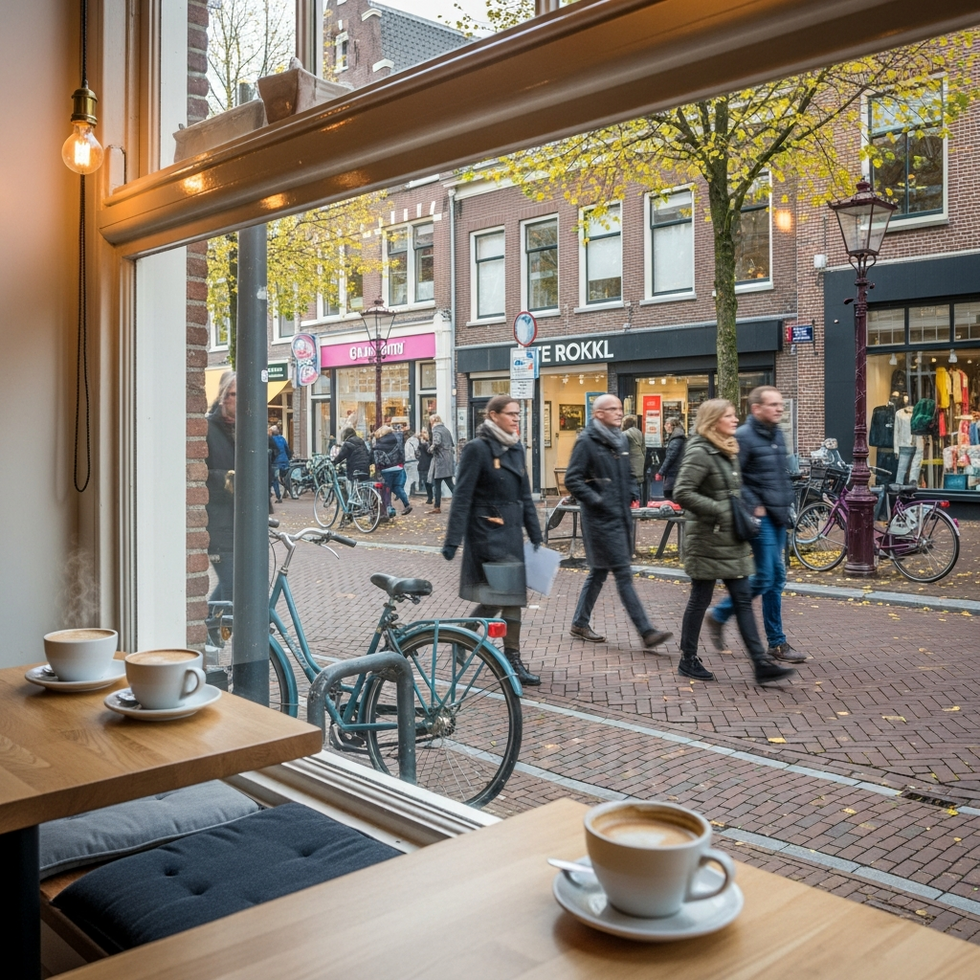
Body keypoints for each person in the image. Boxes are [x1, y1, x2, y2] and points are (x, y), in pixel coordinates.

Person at [672, 398, 796, 684]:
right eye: (728, 416)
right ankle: (687, 659)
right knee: (699, 599)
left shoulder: (727, 448)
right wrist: (722, 509)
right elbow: (682, 492)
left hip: (730, 538)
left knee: (741, 599)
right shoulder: (700, 451)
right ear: (713, 420)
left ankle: (760, 664)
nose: (734, 420)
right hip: (707, 539)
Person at [441, 395, 544, 686]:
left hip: (511, 534)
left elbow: (524, 496)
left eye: (518, 415)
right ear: (494, 415)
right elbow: (462, 496)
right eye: (510, 414)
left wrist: (536, 534)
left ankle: (467, 639)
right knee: (506, 597)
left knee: (505, 599)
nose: (516, 419)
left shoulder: (516, 448)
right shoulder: (478, 449)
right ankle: (510, 660)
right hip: (487, 534)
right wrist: (453, 540)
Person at [705, 386, 805, 664]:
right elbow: (736, 478)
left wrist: (787, 503)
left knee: (777, 580)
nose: (779, 409)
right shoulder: (744, 437)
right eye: (772, 405)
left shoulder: (777, 434)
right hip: (760, 518)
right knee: (766, 576)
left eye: (780, 405)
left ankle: (777, 642)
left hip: (778, 514)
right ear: (756, 408)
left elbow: (780, 474)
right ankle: (719, 614)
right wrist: (753, 505)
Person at [565, 394, 673, 650]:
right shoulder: (586, 442)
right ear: (598, 414)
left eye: (620, 408)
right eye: (611, 409)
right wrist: (598, 500)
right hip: (600, 520)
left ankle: (580, 622)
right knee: (623, 573)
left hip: (620, 516)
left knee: (599, 571)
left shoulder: (621, 440)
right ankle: (646, 631)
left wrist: (630, 495)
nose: (618, 412)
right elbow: (573, 479)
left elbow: (624, 476)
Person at [206, 371, 236, 604]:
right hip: (219, 525)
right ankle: (211, 636)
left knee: (235, 587)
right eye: (235, 394)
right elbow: (196, 477)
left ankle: (209, 632)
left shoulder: (250, 430)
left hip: (245, 527)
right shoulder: (207, 430)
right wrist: (226, 479)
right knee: (233, 588)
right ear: (224, 396)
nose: (240, 400)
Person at [373, 424, 412, 517]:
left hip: (386, 470)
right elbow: (402, 453)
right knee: (398, 487)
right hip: (398, 467)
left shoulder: (378, 444)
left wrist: (379, 468)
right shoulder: (398, 440)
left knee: (387, 489)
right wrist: (402, 463)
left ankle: (390, 509)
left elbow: (377, 459)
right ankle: (407, 504)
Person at [428, 414, 455, 513]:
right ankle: (437, 506)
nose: (430, 423)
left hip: (440, 460)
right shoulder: (446, 430)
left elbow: (437, 442)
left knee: (440, 484)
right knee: (446, 483)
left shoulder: (436, 430)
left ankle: (437, 507)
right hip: (448, 459)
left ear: (434, 421)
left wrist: (430, 449)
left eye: (430, 421)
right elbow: (452, 443)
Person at [657, 417, 687, 501]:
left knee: (669, 494)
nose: (665, 426)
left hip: (673, 473)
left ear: (671, 425)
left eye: (666, 424)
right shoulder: (678, 437)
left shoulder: (676, 439)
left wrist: (661, 472)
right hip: (676, 472)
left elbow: (670, 457)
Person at [622, 414, 645, 503]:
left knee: (631, 488)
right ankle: (637, 503)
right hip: (639, 464)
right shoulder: (639, 433)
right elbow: (644, 450)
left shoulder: (625, 434)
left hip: (630, 465)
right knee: (637, 487)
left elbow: (623, 451)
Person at [269, 425, 291, 502]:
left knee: (275, 479)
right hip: (284, 461)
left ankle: (278, 497)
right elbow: (287, 449)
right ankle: (287, 491)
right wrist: (288, 458)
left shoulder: (271, 440)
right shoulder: (282, 439)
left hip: (276, 462)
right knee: (285, 477)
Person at [417, 428, 434, 505]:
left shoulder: (427, 443)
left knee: (429, 481)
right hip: (424, 464)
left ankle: (431, 497)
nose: (423, 434)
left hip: (428, 464)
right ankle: (430, 497)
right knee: (427, 481)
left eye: (425, 432)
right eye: (422, 432)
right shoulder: (424, 443)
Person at [403, 429, 420, 496]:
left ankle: (407, 492)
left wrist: (406, 459)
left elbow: (407, 453)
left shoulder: (408, 442)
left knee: (407, 478)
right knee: (415, 474)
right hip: (415, 460)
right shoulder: (417, 441)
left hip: (408, 461)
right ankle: (416, 485)